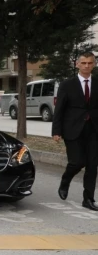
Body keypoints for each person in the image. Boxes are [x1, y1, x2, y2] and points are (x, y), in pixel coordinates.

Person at [52, 51, 98, 210]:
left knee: (92, 165)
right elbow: (59, 109)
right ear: (77, 64)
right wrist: (56, 131)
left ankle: (88, 199)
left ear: (94, 64)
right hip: (72, 129)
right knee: (77, 162)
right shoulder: (67, 84)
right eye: (83, 63)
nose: (86, 66)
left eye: (90, 63)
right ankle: (65, 181)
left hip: (94, 129)